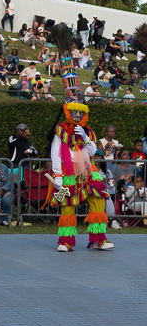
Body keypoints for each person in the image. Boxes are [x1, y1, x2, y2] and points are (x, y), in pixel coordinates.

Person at [46, 25, 113, 252]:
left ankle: (98, 239)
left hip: (87, 170)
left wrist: (85, 137)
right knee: (67, 205)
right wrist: (56, 175)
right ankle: (65, 241)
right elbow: (56, 151)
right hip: (66, 173)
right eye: (73, 112)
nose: (76, 115)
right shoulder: (61, 131)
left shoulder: (88, 131)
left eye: (80, 112)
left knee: (98, 198)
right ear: (67, 111)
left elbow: (94, 153)